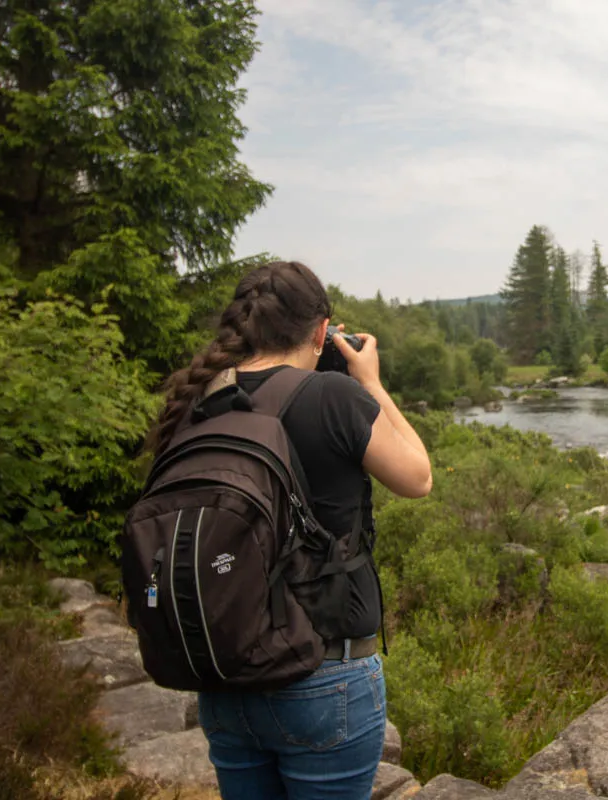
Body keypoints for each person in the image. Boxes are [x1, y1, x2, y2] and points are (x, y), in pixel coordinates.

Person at [146, 260, 433, 800]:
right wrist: (369, 382)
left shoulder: (196, 402)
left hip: (224, 673)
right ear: (322, 331)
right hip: (323, 675)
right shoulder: (333, 396)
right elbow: (418, 478)